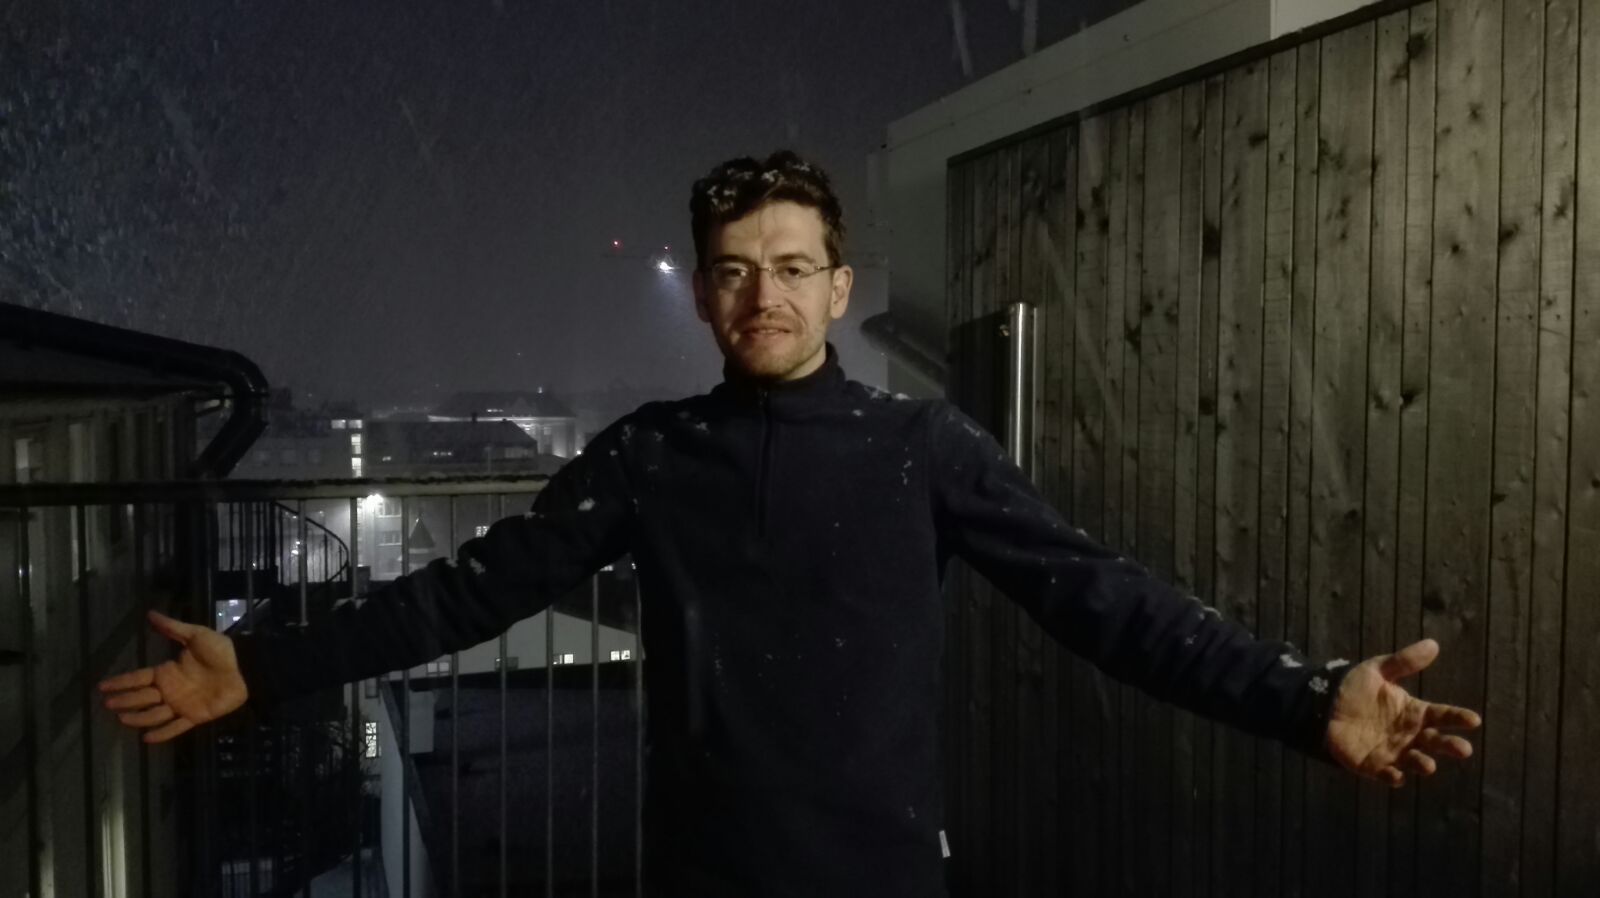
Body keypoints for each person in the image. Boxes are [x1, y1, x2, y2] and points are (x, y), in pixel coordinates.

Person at [100, 150, 1482, 897]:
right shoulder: (652, 455)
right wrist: (265, 663)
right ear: (707, 295)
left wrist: (1304, 697)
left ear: (838, 289)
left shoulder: (921, 448)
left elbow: (1106, 601)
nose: (762, 294)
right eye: (733, 271)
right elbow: (470, 590)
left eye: (792, 267)